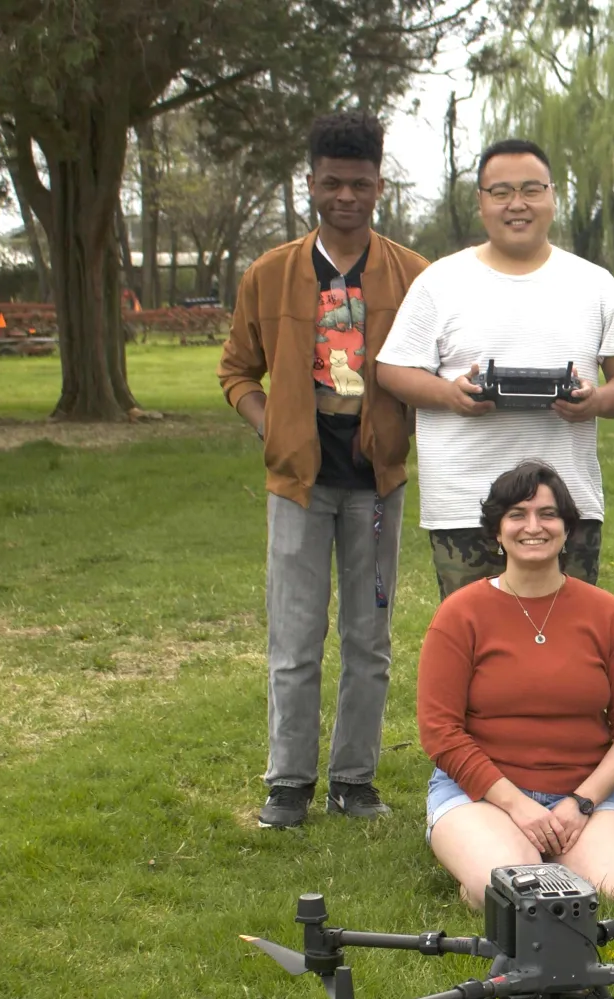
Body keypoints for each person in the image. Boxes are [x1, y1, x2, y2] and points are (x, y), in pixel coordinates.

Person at [219, 112, 430, 829]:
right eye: (332, 182)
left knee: (369, 636)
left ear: (379, 186)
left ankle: (354, 780)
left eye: (361, 183)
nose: (346, 195)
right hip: (298, 484)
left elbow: (430, 370)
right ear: (310, 183)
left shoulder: (412, 274)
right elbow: (237, 371)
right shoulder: (272, 273)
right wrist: (269, 425)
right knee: (296, 635)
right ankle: (288, 782)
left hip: (376, 483)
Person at [376, 138, 614, 597]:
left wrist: (594, 401)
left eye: (531, 189)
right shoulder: (440, 282)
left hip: (566, 506)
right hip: (465, 504)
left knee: (566, 645)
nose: (516, 204)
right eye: (500, 192)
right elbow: (391, 371)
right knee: (476, 648)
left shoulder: (594, 283)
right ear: (481, 201)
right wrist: (450, 395)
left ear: (552, 197)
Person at [417, 462, 614, 908]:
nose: (534, 526)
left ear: (567, 529)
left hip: (583, 792)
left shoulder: (608, 614)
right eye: (517, 514)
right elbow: (440, 732)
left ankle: (546, 850)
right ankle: (494, 852)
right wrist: (517, 806)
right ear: (496, 531)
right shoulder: (459, 614)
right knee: (515, 895)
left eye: (548, 514)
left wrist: (582, 802)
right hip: (483, 792)